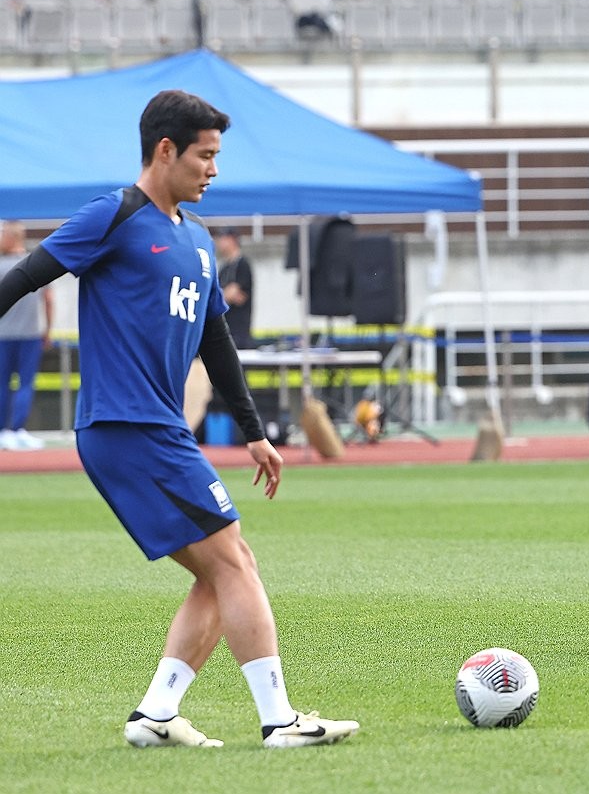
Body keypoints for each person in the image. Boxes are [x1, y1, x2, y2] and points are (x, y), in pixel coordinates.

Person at [0, 90, 358, 749]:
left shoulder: (196, 239)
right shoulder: (115, 214)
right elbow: (22, 278)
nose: (213, 170)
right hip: (125, 425)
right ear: (165, 150)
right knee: (235, 563)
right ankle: (279, 720)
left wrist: (253, 432)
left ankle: (156, 715)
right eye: (205, 155)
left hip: (158, 428)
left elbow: (214, 341)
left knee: (220, 570)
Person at [0, 220, 53, 451]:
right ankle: (17, 429)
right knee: (24, 383)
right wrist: (47, 330)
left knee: (5, 384)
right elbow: (49, 300)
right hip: (29, 333)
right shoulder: (36, 263)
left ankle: (6, 430)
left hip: (5, 335)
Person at [214, 227, 254, 349]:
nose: (219, 243)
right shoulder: (224, 268)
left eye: (222, 239)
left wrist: (220, 297)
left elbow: (236, 295)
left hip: (238, 331)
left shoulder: (242, 264)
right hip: (223, 328)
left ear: (232, 240)